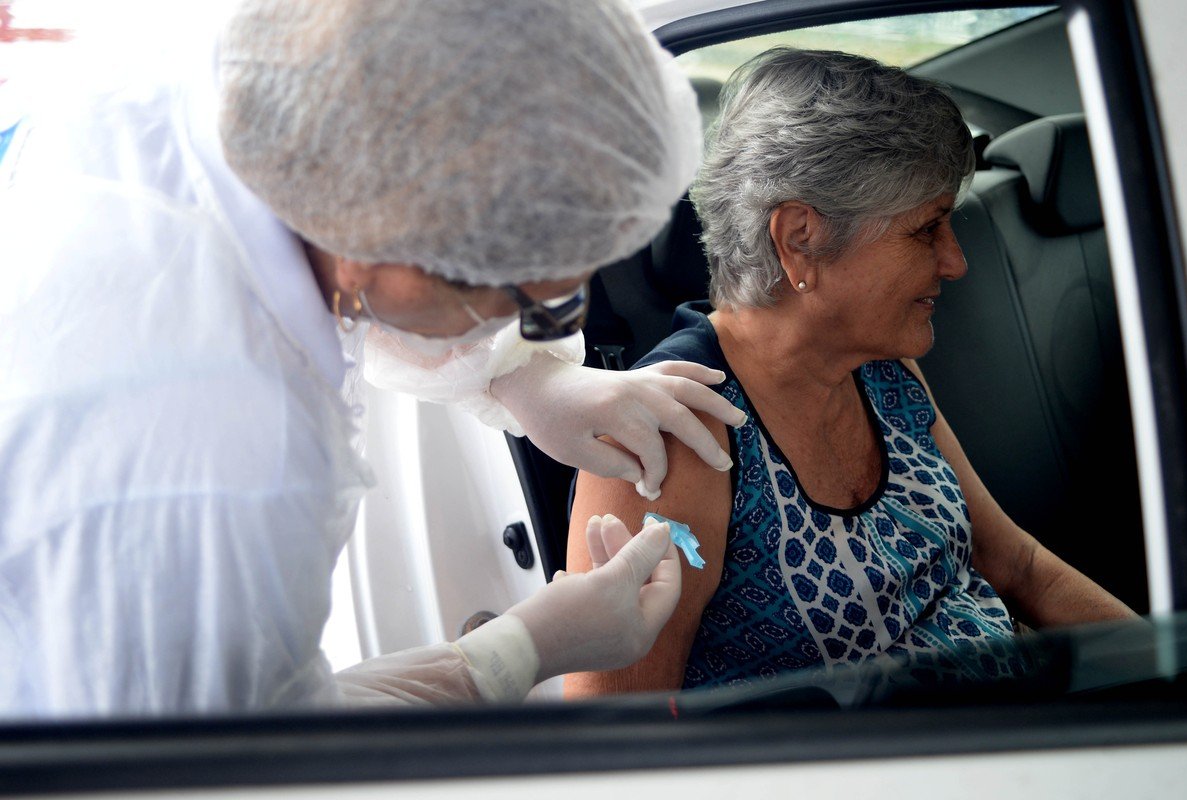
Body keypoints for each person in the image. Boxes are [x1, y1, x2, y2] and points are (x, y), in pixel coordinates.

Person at [0, 0, 750, 716]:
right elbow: (228, 753)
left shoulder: (268, 92)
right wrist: (518, 650)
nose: (543, 321)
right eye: (526, 298)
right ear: (374, 253)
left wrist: (525, 377)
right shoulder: (232, 461)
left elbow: (357, 276)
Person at [564, 48, 1137, 696]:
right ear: (799, 238)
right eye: (926, 230)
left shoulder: (882, 370)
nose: (955, 261)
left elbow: (1020, 567)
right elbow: (616, 732)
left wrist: (1171, 671)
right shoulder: (671, 434)